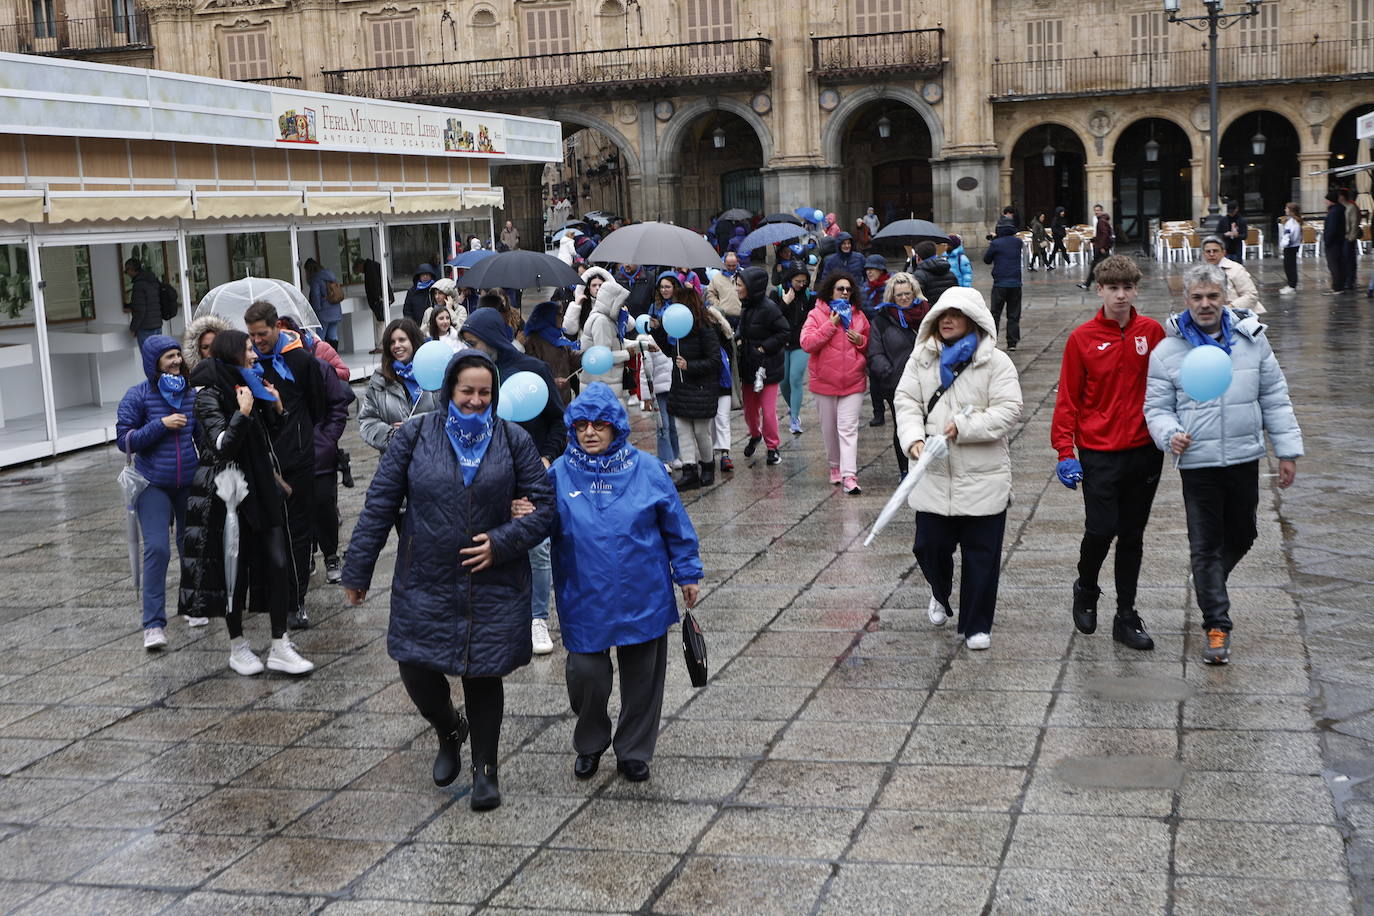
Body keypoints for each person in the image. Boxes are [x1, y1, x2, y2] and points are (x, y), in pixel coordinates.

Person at [342, 350, 556, 807]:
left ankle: (486, 771)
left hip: (493, 581)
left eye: (485, 392)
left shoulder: (513, 439)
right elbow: (380, 503)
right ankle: (447, 728)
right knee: (415, 666)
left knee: (483, 674)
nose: (477, 400)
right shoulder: (416, 436)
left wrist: (503, 541)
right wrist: (358, 568)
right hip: (426, 575)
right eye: (467, 391)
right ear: (449, 391)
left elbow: (545, 508)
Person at [541, 383, 702, 783]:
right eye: (581, 426)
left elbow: (675, 525)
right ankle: (591, 741)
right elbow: (534, 528)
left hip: (642, 591)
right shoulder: (558, 474)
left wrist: (687, 571)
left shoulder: (647, 470)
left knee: (643, 678)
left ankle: (633, 749)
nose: (589, 432)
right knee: (586, 674)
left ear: (615, 426)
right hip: (584, 595)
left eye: (598, 424)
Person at [1144, 263, 1303, 665]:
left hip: (1245, 457)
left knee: (1244, 533)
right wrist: (1169, 434)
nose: (1205, 304)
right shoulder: (1167, 352)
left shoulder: (1252, 341)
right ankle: (1217, 624)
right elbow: (1157, 409)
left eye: (1212, 296)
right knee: (1205, 544)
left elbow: (1275, 397)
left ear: (1224, 297)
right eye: (1197, 297)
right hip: (1198, 463)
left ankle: (1208, 579)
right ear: (1186, 300)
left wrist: (1286, 450)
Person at [893, 287, 1023, 650]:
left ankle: (976, 624)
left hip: (984, 476)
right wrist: (913, 438)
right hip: (933, 473)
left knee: (983, 555)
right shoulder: (921, 358)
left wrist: (965, 427)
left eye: (957, 314)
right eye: (942, 314)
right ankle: (940, 590)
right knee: (928, 546)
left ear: (973, 320)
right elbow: (905, 401)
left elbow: (1009, 408)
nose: (948, 320)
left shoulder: (996, 363)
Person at [179, 330, 315, 677]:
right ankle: (237, 645)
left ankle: (279, 644)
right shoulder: (208, 394)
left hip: (261, 486)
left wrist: (276, 407)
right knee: (233, 573)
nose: (254, 355)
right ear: (232, 354)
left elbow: (267, 435)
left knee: (277, 562)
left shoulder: (250, 382)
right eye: (248, 349)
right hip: (228, 493)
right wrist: (242, 411)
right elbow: (223, 444)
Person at [1050, 255, 1164, 651]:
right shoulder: (1082, 338)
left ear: (1136, 289)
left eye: (1127, 288)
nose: (1121, 295)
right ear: (1099, 290)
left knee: (1132, 534)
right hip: (1099, 451)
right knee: (1101, 529)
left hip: (1145, 451)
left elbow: (1169, 387)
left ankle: (1127, 615)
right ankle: (1086, 587)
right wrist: (1065, 450)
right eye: (1113, 288)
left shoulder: (1152, 333)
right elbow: (1068, 398)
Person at [461, 307, 568, 657]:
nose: (469, 348)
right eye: (466, 343)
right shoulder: (470, 376)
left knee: (536, 547)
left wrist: (547, 457)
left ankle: (537, 617)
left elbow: (558, 423)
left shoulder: (533, 370)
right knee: (486, 542)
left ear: (491, 339)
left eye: (474, 341)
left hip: (530, 478)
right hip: (485, 475)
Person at [117, 334, 201, 649]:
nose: (177, 362)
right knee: (158, 549)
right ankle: (153, 624)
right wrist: (161, 425)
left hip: (188, 482)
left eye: (178, 355)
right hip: (152, 483)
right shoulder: (138, 396)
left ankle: (192, 604)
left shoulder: (192, 394)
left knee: (190, 544)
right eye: (169, 358)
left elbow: (203, 436)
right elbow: (124, 440)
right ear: (155, 364)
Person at [244, 302, 323, 631]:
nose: (257, 341)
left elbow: (318, 406)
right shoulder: (248, 364)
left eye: (262, 334)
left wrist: (300, 439)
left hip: (296, 459)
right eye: (251, 335)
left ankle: (296, 600)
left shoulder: (301, 359)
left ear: (276, 327)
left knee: (297, 533)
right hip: (262, 460)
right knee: (268, 532)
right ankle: (274, 594)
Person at [801, 271, 869, 494]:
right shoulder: (816, 314)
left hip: (853, 381)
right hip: (825, 382)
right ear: (830, 290)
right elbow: (807, 343)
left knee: (848, 428)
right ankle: (835, 467)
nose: (845, 293)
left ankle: (850, 475)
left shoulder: (859, 316)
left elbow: (870, 344)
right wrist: (830, 325)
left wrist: (862, 341)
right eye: (841, 289)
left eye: (849, 289)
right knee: (829, 429)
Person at [649, 285, 722, 491]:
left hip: (700, 389)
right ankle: (689, 470)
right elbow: (670, 350)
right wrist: (658, 331)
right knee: (682, 430)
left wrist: (690, 366)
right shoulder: (677, 328)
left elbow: (714, 360)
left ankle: (708, 466)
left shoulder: (705, 328)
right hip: (681, 388)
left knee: (700, 431)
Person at [866, 273, 928, 478]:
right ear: (891, 296)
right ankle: (905, 470)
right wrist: (887, 373)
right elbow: (875, 352)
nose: (903, 298)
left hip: (928, 381)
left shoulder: (927, 314)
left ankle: (927, 468)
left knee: (929, 425)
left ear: (915, 293)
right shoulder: (882, 319)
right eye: (899, 294)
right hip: (897, 384)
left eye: (907, 294)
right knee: (903, 425)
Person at [358, 318, 442, 454]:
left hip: (432, 457)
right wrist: (392, 435)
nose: (396, 345)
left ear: (413, 341)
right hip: (395, 462)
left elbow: (450, 414)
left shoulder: (435, 373)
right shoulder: (380, 379)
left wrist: (419, 427)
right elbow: (367, 420)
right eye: (392, 342)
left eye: (402, 340)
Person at [735, 266, 789, 466]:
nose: (737, 289)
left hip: (768, 369)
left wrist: (764, 348)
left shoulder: (769, 308)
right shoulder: (746, 305)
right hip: (748, 367)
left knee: (768, 411)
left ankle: (772, 447)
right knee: (749, 410)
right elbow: (743, 326)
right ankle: (755, 434)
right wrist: (738, 337)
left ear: (751, 287)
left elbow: (784, 332)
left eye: (740, 285)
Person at [772, 267, 814, 436]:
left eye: (804, 282)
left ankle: (795, 418)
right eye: (798, 281)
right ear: (790, 279)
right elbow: (772, 318)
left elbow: (813, 318)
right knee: (783, 382)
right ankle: (792, 405)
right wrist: (785, 303)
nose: (801, 284)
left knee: (795, 378)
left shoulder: (809, 295)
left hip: (801, 343)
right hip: (781, 344)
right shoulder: (777, 293)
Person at [574, 267, 630, 390]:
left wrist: (641, 346)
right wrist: (627, 354)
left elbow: (619, 338)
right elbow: (603, 357)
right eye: (594, 285)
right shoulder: (601, 321)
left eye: (601, 285)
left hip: (605, 380)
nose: (597, 288)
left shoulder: (606, 317)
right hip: (602, 382)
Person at [524, 300, 581, 404]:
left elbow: (571, 358)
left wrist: (588, 355)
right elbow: (530, 373)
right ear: (548, 316)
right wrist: (552, 382)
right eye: (559, 314)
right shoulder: (532, 341)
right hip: (545, 402)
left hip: (563, 400)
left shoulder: (558, 337)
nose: (562, 317)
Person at [860, 254, 891, 427]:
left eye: (873, 268)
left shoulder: (891, 287)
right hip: (873, 337)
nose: (869, 272)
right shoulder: (864, 289)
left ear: (881, 270)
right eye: (867, 269)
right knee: (874, 377)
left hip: (890, 335)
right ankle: (878, 412)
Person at [983, 222, 1024, 351]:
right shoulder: (1018, 243)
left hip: (1000, 283)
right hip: (1016, 283)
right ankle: (1012, 342)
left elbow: (987, 259)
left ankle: (992, 340)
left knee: (995, 313)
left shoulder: (996, 244)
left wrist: (993, 241)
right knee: (1013, 314)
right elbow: (1009, 244)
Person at [1200, 236, 1263, 314]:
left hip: (1242, 314)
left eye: (1215, 251)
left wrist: (1230, 308)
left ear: (1223, 252)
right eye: (1208, 251)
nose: (1211, 254)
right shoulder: (1200, 272)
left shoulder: (1236, 269)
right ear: (1203, 254)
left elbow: (1251, 295)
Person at [304, 258, 342, 349]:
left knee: (320, 337)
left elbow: (315, 298)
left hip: (323, 314)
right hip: (336, 311)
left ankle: (322, 358)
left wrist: (315, 311)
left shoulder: (315, 279)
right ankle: (334, 356)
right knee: (333, 335)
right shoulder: (331, 276)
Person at [353, 256, 388, 353]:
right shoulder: (372, 266)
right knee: (380, 322)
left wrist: (377, 299)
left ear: (360, 265)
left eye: (359, 270)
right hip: (382, 299)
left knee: (380, 323)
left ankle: (381, 346)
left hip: (379, 300)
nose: (361, 272)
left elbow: (374, 285)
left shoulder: (370, 268)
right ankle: (381, 345)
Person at [124, 258, 162, 346]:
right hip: (157, 325)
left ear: (131, 270)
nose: (127, 274)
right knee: (157, 355)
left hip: (146, 328)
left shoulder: (139, 285)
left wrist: (133, 328)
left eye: (126, 271)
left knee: (148, 356)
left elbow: (140, 310)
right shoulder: (152, 280)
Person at [1076, 204, 1112, 289]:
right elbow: (1100, 235)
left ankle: (1108, 283)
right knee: (1098, 265)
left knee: (1102, 266)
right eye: (1095, 210)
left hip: (1100, 247)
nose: (1096, 212)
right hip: (1100, 246)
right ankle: (1089, 283)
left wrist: (1102, 247)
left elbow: (1104, 234)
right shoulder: (1102, 220)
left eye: (1098, 210)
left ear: (1101, 211)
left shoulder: (1101, 221)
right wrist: (1092, 240)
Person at [1323, 191, 1347, 294]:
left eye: (1327, 200)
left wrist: (1327, 241)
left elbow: (1332, 228)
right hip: (1338, 241)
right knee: (1337, 263)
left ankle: (1337, 287)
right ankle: (1338, 285)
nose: (1325, 202)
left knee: (1334, 264)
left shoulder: (1334, 212)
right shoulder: (1339, 210)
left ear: (1331, 201)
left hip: (1333, 242)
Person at [1279, 203, 1301, 296]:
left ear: (1291, 211)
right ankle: (1290, 284)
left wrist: (1285, 243)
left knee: (1290, 266)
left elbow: (1289, 235)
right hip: (1291, 246)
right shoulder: (1291, 221)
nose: (1285, 210)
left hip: (1290, 247)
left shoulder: (1293, 223)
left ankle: (1292, 285)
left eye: (1287, 208)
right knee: (1288, 266)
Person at [1343, 187, 1361, 292]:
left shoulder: (1352, 207)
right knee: (1347, 259)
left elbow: (1354, 223)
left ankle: (1350, 281)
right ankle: (1348, 280)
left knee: (1349, 260)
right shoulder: (1347, 206)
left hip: (1349, 237)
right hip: (1346, 237)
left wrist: (1351, 237)